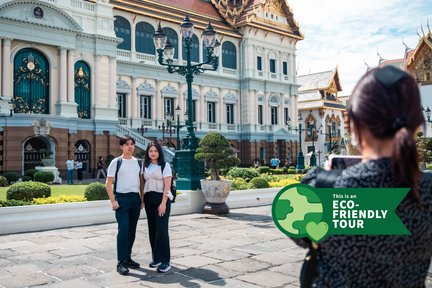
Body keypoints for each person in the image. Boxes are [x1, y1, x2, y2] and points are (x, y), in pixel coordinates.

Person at [297, 66, 432, 287]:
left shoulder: (324, 190)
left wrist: (327, 178)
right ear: (417, 125)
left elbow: (298, 233)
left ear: (355, 126)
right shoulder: (427, 190)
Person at [105, 136, 144, 276]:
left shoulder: (138, 163)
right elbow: (108, 184)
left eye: (132, 144)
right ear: (121, 146)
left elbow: (141, 183)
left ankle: (127, 258)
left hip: (135, 198)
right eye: (127, 144)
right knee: (124, 230)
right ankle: (120, 262)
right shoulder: (117, 162)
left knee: (132, 231)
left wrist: (142, 199)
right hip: (122, 199)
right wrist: (113, 201)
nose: (130, 146)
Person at [142, 142, 173, 273]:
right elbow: (142, 183)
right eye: (150, 151)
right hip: (149, 199)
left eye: (155, 151)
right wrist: (142, 200)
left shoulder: (165, 166)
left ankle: (165, 260)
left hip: (161, 198)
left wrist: (163, 203)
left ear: (159, 152)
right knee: (152, 229)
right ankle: (157, 258)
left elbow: (167, 186)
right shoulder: (145, 166)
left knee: (161, 230)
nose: (153, 153)